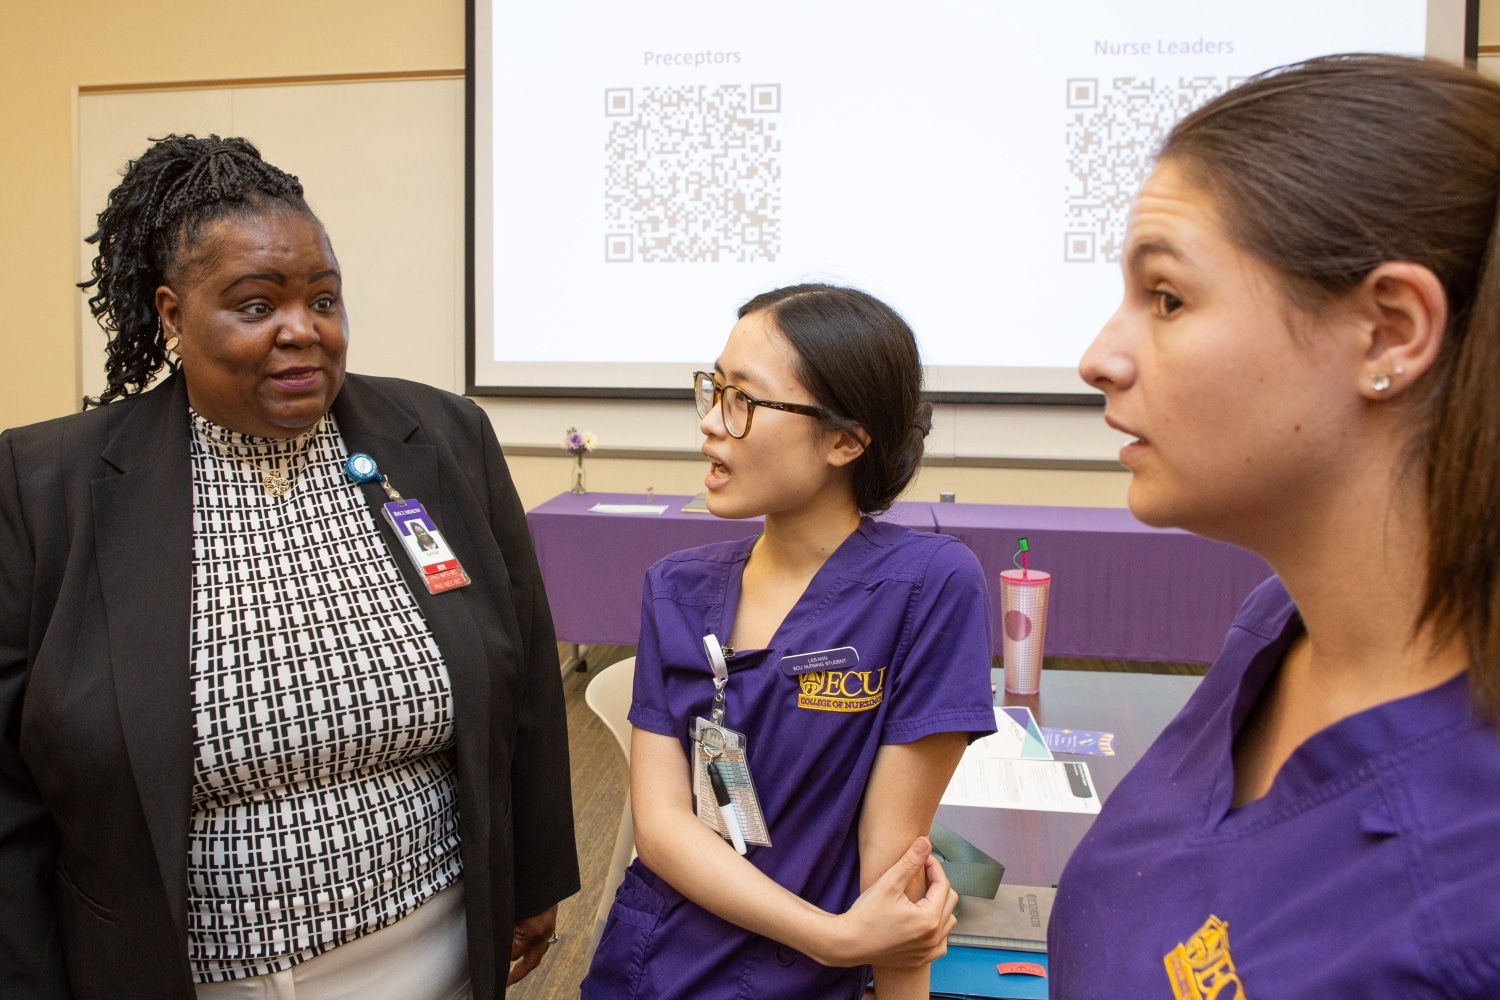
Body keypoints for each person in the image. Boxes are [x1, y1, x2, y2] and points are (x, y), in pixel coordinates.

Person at [0, 135, 578, 1000]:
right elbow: (11, 794)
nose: (301, 329)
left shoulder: (444, 440)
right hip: (182, 974)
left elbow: (527, 671)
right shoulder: (47, 488)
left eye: (323, 298)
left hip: (439, 945)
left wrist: (531, 876)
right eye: (256, 303)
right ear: (171, 315)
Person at [1054, 54, 1500, 997]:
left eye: (1167, 298)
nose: (1099, 357)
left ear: (1388, 331)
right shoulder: (1279, 628)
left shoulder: (1464, 906)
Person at [581, 284, 999, 1000]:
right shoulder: (676, 587)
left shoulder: (926, 584)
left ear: (845, 438)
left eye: (744, 399)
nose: (711, 422)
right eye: (714, 389)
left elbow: (894, 865)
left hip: (805, 984)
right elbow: (662, 826)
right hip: (652, 964)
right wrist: (832, 937)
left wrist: (871, 965)